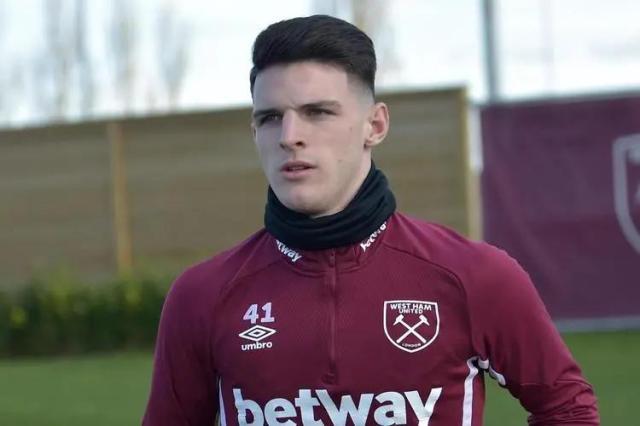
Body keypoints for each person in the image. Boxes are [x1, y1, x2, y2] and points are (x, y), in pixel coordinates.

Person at [143, 15, 599, 426]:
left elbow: (568, 409)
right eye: (270, 118)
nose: (289, 136)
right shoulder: (202, 296)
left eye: (317, 112)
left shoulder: (474, 277)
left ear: (375, 126)